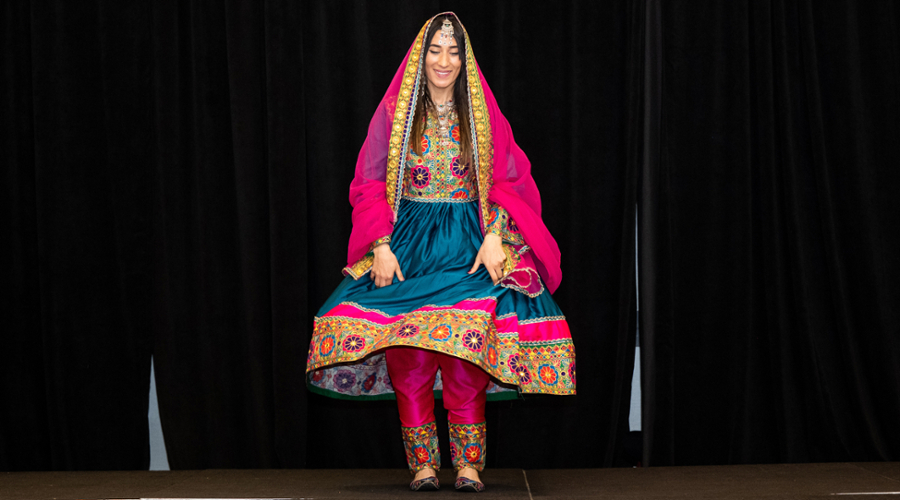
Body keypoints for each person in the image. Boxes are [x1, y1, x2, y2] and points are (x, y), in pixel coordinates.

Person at [306, 12, 575, 493]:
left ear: (464, 58)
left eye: (453, 51)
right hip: (407, 244)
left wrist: (495, 234)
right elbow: (367, 183)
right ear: (420, 57)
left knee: (466, 352)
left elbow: (511, 180)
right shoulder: (395, 116)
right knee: (409, 357)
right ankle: (423, 467)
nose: (444, 60)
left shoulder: (483, 117)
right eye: (435, 50)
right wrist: (381, 245)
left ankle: (469, 466)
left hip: (468, 244)